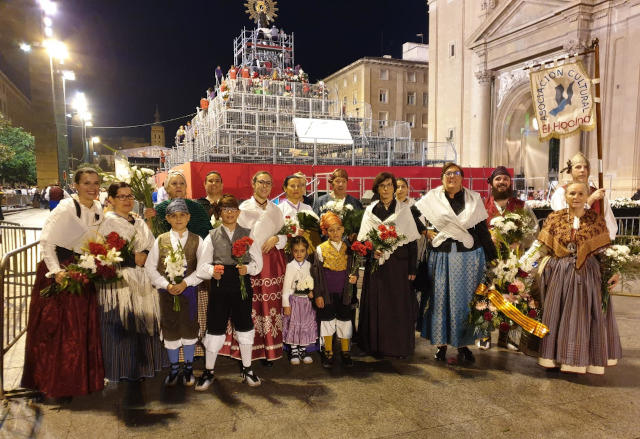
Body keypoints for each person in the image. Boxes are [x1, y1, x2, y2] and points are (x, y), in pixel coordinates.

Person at [22, 168, 105, 400]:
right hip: (59, 270)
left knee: (78, 329)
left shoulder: (98, 208)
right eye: (87, 183)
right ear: (76, 185)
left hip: (83, 269)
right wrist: (56, 271)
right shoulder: (66, 208)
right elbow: (46, 241)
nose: (92, 187)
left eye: (96, 183)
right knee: (54, 329)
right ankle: (47, 382)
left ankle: (75, 380)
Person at [522, 181, 622, 374]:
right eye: (572, 194)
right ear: (565, 196)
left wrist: (614, 272)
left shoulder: (596, 220)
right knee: (556, 316)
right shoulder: (555, 218)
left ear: (586, 197)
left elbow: (604, 250)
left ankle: (579, 359)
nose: (576, 197)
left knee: (584, 317)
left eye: (580, 194)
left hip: (588, 275)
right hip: (559, 273)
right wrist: (521, 268)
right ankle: (554, 359)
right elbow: (540, 247)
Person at [415, 162, 497, 364]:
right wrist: (425, 231)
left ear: (462, 178)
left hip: (469, 257)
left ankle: (463, 345)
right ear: (442, 178)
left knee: (466, 302)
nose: (452, 177)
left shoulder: (473, 199)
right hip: (441, 256)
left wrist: (493, 256)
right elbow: (411, 215)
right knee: (440, 299)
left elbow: (482, 231)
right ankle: (441, 345)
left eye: (456, 173)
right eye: (447, 174)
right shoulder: (432, 199)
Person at [97, 182, 164, 382]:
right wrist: (131, 258)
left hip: (143, 280)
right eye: (121, 196)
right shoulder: (107, 222)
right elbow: (102, 254)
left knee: (143, 324)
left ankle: (144, 367)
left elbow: (154, 246)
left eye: (129, 196)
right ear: (111, 199)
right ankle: (124, 369)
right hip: (121, 282)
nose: (127, 200)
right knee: (124, 324)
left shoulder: (138, 221)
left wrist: (145, 254)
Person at [196, 194, 263, 389]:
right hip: (220, 285)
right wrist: (212, 271)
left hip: (241, 283)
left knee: (244, 325)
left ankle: (248, 369)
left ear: (239, 212)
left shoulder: (248, 234)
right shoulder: (212, 236)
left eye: (233, 210)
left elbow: (258, 263)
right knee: (215, 326)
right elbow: (202, 267)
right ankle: (209, 371)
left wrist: (248, 269)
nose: (230, 213)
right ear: (219, 214)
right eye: (225, 210)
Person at [222, 171, 286, 363]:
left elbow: (285, 234)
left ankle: (269, 350)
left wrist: (278, 238)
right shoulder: (244, 208)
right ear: (253, 183)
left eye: (268, 183)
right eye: (261, 182)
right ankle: (246, 350)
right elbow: (236, 237)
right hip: (249, 263)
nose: (265, 186)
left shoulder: (276, 210)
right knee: (249, 305)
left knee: (269, 306)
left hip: (271, 265)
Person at [357, 172, 421, 358]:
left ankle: (398, 347)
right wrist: (372, 250)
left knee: (397, 305)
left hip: (399, 265)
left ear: (394, 188)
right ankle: (373, 346)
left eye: (389, 185)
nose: (386, 189)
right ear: (377, 189)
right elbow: (363, 239)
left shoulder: (404, 210)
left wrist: (412, 268)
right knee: (375, 303)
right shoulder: (370, 211)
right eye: (382, 186)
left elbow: (411, 241)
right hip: (376, 264)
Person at [145, 198, 205, 386]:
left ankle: (188, 369)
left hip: (189, 294)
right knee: (170, 329)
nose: (178, 219)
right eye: (174, 216)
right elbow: (150, 268)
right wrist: (165, 284)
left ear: (188, 217)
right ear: (168, 219)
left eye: (182, 215)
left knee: (188, 328)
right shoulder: (160, 240)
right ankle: (173, 368)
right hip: (166, 295)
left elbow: (203, 268)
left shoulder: (197, 240)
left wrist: (186, 283)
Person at [478, 166, 538, 351]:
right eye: (498, 179)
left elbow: (534, 230)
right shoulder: (481, 205)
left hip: (513, 261)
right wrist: (488, 238)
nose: (501, 182)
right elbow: (472, 231)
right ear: (491, 183)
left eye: (505, 179)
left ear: (510, 182)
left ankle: (508, 337)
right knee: (486, 295)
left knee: (513, 295)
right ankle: (484, 334)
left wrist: (519, 241)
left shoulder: (521, 206)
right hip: (488, 260)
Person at [313, 212, 358, 367]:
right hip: (327, 295)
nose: (335, 233)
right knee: (327, 322)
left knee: (345, 321)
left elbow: (354, 268)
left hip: (344, 293)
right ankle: (328, 351)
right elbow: (317, 275)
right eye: (331, 230)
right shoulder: (320, 249)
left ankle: (345, 351)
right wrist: (318, 295)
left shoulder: (350, 249)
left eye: (338, 229)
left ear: (343, 229)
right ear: (325, 232)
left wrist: (355, 277)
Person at [550, 152, 617, 240]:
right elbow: (566, 220)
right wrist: (591, 199)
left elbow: (610, 222)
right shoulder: (561, 193)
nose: (582, 170)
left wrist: (607, 241)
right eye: (578, 167)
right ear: (570, 171)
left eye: (585, 167)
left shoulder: (598, 193)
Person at [282, 236, 317, 366]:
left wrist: (311, 291)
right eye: (296, 251)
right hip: (294, 302)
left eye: (302, 251)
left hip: (306, 303)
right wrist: (286, 304)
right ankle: (294, 350)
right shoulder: (290, 266)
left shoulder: (309, 265)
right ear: (292, 251)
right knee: (294, 325)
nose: (299, 254)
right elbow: (286, 287)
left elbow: (311, 282)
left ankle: (303, 350)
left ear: (307, 251)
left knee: (304, 325)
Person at [154, 171, 212, 239]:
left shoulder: (198, 208)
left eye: (182, 183)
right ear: (167, 188)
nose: (179, 186)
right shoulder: (159, 210)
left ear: (185, 187)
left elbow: (208, 233)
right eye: (174, 183)